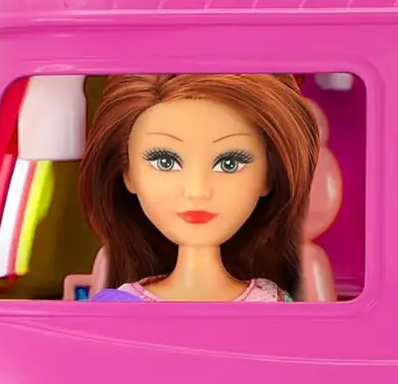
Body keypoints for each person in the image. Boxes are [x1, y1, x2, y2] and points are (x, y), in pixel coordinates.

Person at [79, 73, 319, 302]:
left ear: (268, 176)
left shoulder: (271, 303)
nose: (197, 190)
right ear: (128, 173)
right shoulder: (120, 306)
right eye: (165, 162)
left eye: (229, 163)